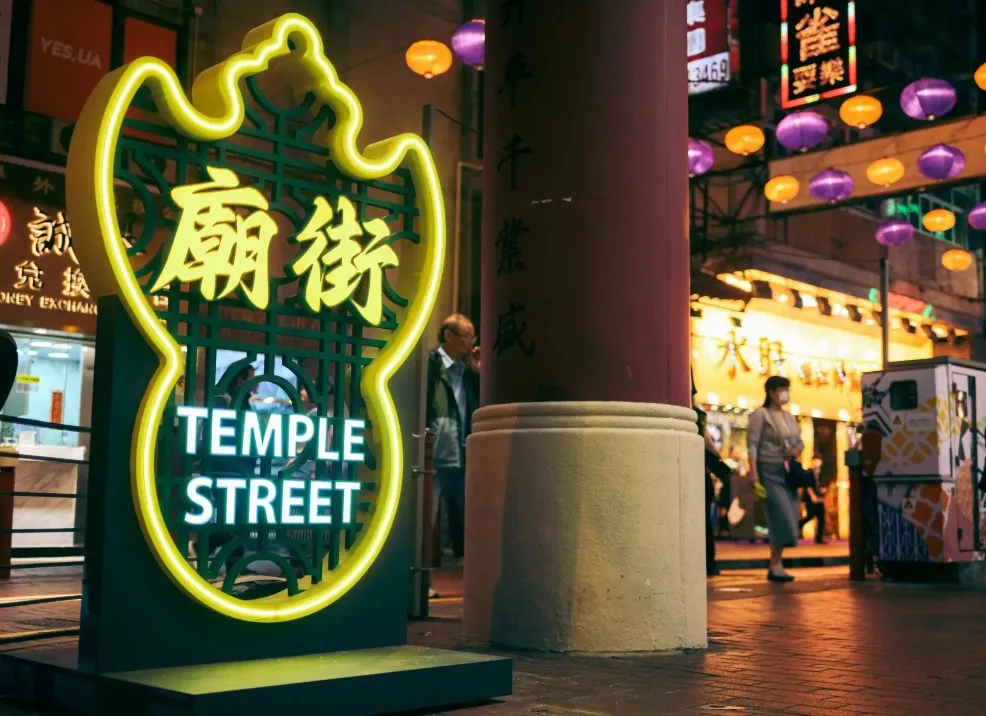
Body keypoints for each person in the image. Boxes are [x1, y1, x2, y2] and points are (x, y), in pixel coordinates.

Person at [426, 314, 479, 562]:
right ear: (449, 335)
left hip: (464, 455)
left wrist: (478, 372)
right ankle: (424, 577)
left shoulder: (467, 372)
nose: (471, 342)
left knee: (472, 518)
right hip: (435, 455)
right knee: (428, 519)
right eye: (467, 335)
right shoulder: (431, 364)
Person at [747, 375, 803, 583]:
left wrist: (796, 450)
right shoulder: (761, 415)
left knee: (788, 517)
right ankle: (775, 564)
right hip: (767, 470)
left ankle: (776, 563)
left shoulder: (789, 417)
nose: (785, 394)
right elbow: (752, 445)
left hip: (786, 472)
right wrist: (753, 472)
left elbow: (799, 441)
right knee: (781, 516)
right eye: (782, 389)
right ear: (771, 392)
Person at [799, 454, 828, 545]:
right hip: (810, 499)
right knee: (810, 516)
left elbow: (819, 485)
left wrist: (822, 491)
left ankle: (819, 538)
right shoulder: (809, 472)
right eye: (815, 460)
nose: (817, 463)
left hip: (819, 499)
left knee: (821, 518)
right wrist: (812, 496)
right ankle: (796, 527)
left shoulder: (820, 473)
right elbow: (808, 486)